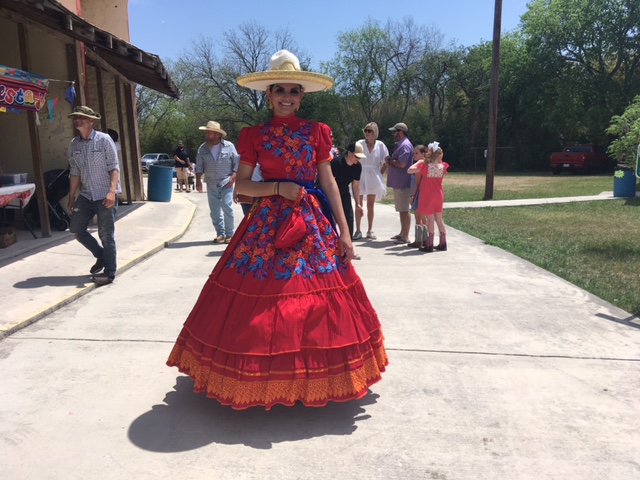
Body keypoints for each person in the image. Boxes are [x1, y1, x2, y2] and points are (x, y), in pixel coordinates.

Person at [167, 50, 388, 410]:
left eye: (294, 91)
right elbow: (241, 187)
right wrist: (276, 189)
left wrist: (345, 233)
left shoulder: (318, 131)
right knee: (261, 306)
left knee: (313, 300)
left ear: (302, 95)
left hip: (312, 223)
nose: (287, 97)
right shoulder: (253, 135)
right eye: (279, 90)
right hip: (267, 225)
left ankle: (311, 379)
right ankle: (265, 382)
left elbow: (330, 184)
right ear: (267, 94)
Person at [67, 106, 121, 286]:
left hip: (105, 194)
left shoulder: (104, 140)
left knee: (106, 234)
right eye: (76, 117)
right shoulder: (74, 144)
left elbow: (114, 167)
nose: (78, 120)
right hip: (87, 195)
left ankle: (110, 272)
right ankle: (101, 256)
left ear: (91, 121)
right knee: (75, 229)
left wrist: (112, 192)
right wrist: (71, 196)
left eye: (82, 117)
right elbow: (75, 172)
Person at [195, 121, 239, 244]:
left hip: (226, 182)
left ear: (218, 134)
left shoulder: (229, 146)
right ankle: (220, 233)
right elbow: (199, 166)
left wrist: (233, 177)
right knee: (214, 210)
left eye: (210, 133)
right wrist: (198, 181)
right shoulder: (202, 148)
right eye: (207, 132)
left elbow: (237, 163)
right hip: (211, 183)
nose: (208, 135)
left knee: (227, 207)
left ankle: (229, 234)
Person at [407, 141, 449, 252]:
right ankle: (443, 243)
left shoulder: (425, 167)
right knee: (439, 219)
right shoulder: (442, 167)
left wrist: (420, 162)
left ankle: (429, 244)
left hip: (428, 194)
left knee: (430, 219)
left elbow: (409, 170)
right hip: (438, 194)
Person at [353, 122, 388, 240]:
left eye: (370, 131)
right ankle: (358, 230)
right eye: (366, 130)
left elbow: (386, 161)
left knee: (371, 204)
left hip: (373, 175)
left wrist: (379, 174)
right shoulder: (359, 143)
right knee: (359, 204)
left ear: (375, 133)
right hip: (360, 174)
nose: (367, 133)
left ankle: (370, 229)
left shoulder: (381, 145)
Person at [331, 142, 364, 258]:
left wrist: (358, 203)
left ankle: (349, 250)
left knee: (349, 219)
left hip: (344, 192)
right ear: (349, 153)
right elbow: (329, 183)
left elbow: (355, 186)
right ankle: (329, 248)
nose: (358, 159)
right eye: (356, 156)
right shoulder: (336, 163)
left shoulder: (358, 167)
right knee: (331, 219)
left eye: (360, 157)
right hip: (331, 193)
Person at [384, 122, 413, 244]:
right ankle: (402, 233)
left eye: (395, 131)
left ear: (401, 132)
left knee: (405, 210)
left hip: (403, 183)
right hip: (399, 183)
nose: (393, 134)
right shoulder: (400, 145)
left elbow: (402, 164)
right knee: (401, 209)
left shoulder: (405, 146)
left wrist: (391, 160)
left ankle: (405, 236)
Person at [408, 145, 427, 248]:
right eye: (414, 153)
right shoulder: (428, 164)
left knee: (418, 216)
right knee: (424, 216)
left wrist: (412, 196)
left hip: (419, 192)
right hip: (426, 192)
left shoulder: (419, 165)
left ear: (423, 154)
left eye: (417, 153)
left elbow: (417, 182)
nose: (414, 155)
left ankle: (419, 240)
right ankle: (425, 239)